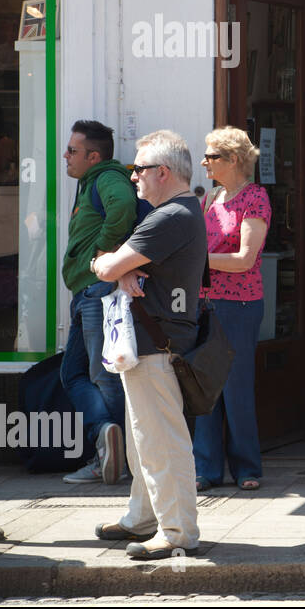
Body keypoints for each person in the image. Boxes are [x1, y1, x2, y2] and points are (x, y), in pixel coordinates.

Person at [90, 130, 207, 560]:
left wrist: (109, 265)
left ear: (162, 172)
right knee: (144, 438)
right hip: (149, 341)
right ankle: (142, 517)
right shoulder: (175, 212)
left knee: (161, 440)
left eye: (138, 169)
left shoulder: (169, 216)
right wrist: (121, 268)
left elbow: (106, 263)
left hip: (156, 343)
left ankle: (177, 531)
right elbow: (125, 264)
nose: (133, 177)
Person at [193, 127, 271, 492]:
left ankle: (246, 468)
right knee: (204, 385)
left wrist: (197, 261)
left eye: (212, 156)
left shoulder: (255, 198)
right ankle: (206, 468)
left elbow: (244, 260)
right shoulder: (211, 199)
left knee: (236, 386)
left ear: (234, 160)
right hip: (206, 303)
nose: (205, 162)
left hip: (240, 305)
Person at [60, 120, 136, 485]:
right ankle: (107, 434)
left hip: (97, 292)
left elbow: (123, 205)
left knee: (101, 377)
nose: (65, 156)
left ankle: (111, 457)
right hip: (86, 293)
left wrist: (104, 249)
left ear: (94, 156)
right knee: (72, 373)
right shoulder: (91, 181)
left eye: (72, 151)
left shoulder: (108, 177)